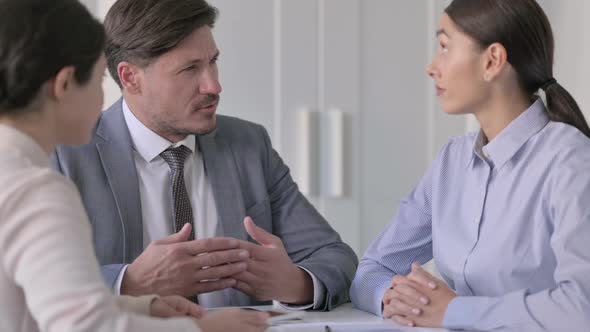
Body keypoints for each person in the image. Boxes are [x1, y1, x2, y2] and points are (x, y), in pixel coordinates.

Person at [52, 0, 357, 310]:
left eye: (213, 61)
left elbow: (336, 258)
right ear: (131, 78)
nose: (214, 85)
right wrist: (129, 284)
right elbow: (31, 283)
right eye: (189, 69)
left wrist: (294, 282)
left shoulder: (249, 145)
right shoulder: (66, 153)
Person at [0, 0, 269, 331]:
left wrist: (142, 306)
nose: (106, 101)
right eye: (100, 81)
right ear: (65, 85)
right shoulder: (36, 189)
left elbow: (34, 300)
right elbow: (85, 326)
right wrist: (206, 329)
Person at [350, 0, 590, 331]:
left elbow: (581, 308)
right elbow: (373, 268)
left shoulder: (571, 160)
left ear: (492, 60)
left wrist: (454, 311)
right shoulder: (451, 161)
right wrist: (396, 298)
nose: (432, 67)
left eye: (445, 47)